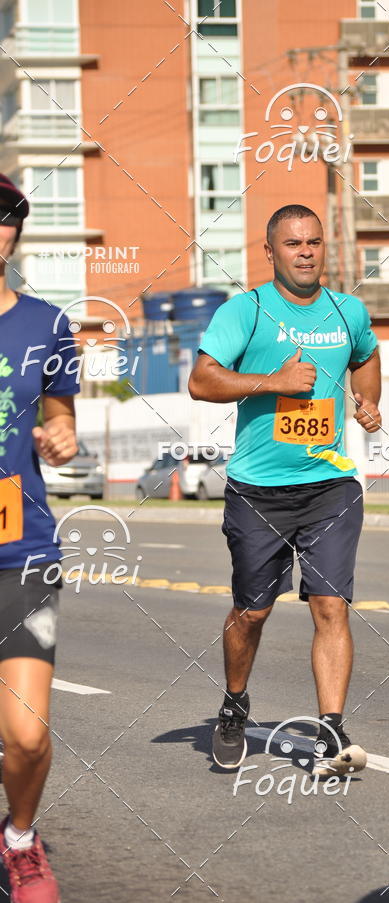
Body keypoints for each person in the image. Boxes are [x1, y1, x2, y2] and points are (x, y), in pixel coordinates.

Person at [189, 204, 381, 775]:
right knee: (252, 613)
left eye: (314, 242)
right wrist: (271, 381)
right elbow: (202, 380)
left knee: (330, 605)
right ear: (270, 252)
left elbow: (366, 355)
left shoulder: (349, 312)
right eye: (293, 243)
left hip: (331, 485)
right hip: (258, 490)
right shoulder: (243, 312)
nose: (306, 252)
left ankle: (332, 730)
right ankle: (234, 704)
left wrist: (367, 402)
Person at [0, 173, 79, 901]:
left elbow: (61, 416)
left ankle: (20, 837)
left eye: (5, 216)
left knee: (24, 735)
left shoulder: (46, 323)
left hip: (22, 551)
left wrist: (61, 432)